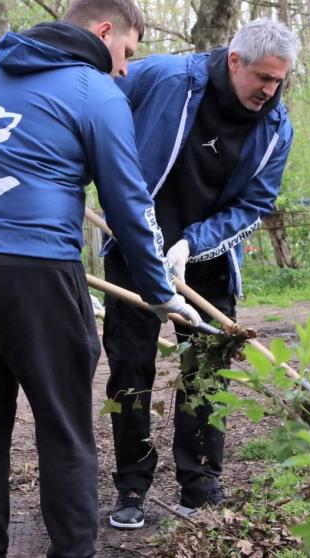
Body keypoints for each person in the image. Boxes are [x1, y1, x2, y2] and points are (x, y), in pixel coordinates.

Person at [0, 0, 200, 555]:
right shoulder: (93, 90)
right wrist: (159, 292)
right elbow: (128, 201)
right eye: (125, 51)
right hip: (35, 269)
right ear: (104, 32)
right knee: (64, 426)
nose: (125, 67)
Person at [103, 18, 297, 529]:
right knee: (129, 368)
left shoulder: (276, 128)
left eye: (280, 80)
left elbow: (256, 203)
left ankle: (201, 479)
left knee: (207, 368)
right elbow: (96, 100)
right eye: (263, 77)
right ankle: (131, 482)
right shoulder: (167, 78)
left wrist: (196, 243)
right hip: (132, 248)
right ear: (235, 61)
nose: (271, 90)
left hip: (205, 262)